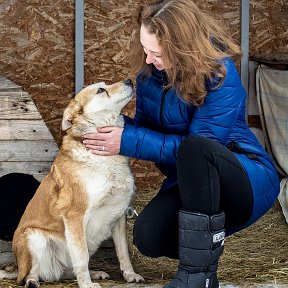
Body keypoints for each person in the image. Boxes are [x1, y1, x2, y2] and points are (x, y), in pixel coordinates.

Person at [83, 0, 280, 287]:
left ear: (181, 46)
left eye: (156, 52)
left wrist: (127, 140)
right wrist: (113, 128)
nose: (148, 59)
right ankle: (208, 245)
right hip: (191, 183)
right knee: (148, 236)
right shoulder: (150, 74)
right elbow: (146, 131)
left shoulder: (219, 75)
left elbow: (199, 147)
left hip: (243, 176)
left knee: (195, 147)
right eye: (145, 49)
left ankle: (197, 276)